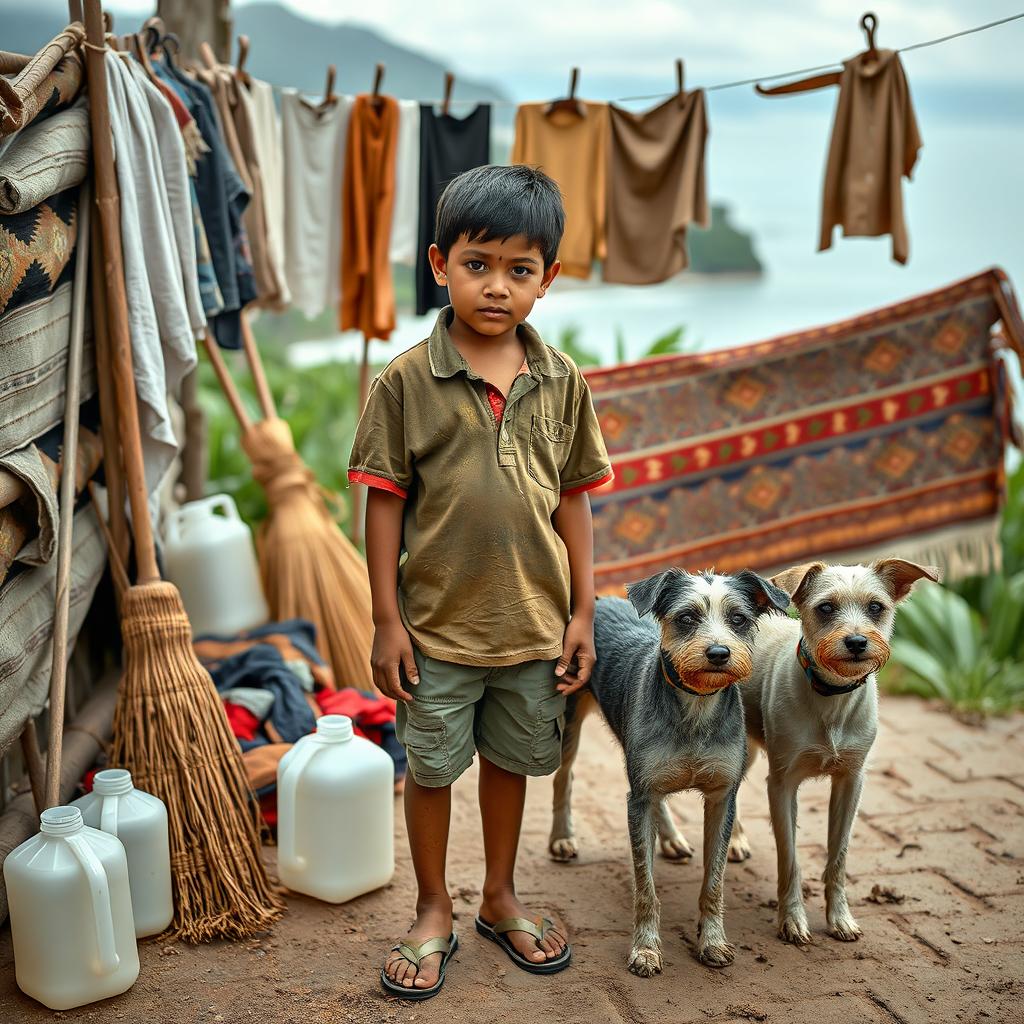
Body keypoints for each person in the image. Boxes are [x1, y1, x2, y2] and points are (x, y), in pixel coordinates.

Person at [348, 164, 612, 1000]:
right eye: (477, 264)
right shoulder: (405, 380)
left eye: (519, 269)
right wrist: (386, 620)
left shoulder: (562, 380)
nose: (497, 286)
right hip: (436, 628)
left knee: (513, 761)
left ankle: (498, 897)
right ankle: (433, 908)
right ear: (439, 263)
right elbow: (383, 505)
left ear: (548, 278)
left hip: (533, 625)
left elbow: (574, 502)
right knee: (429, 767)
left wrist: (582, 615)